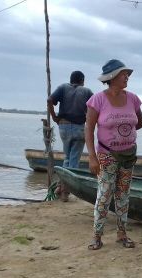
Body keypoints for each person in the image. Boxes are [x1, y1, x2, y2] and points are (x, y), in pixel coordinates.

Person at [85, 59, 142, 250]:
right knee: (104, 195)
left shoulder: (133, 99)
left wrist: (124, 132)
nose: (126, 77)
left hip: (128, 155)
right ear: (112, 78)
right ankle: (97, 236)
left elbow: (140, 122)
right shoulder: (98, 100)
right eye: (123, 74)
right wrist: (92, 157)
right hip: (106, 156)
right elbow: (89, 128)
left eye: (127, 74)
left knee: (123, 195)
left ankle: (122, 234)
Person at [47, 70, 93, 201]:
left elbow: (50, 100)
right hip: (79, 128)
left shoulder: (62, 87)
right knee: (73, 160)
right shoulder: (87, 91)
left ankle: (61, 186)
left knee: (67, 158)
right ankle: (66, 190)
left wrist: (54, 116)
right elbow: (95, 108)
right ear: (82, 80)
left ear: (71, 79)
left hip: (64, 127)